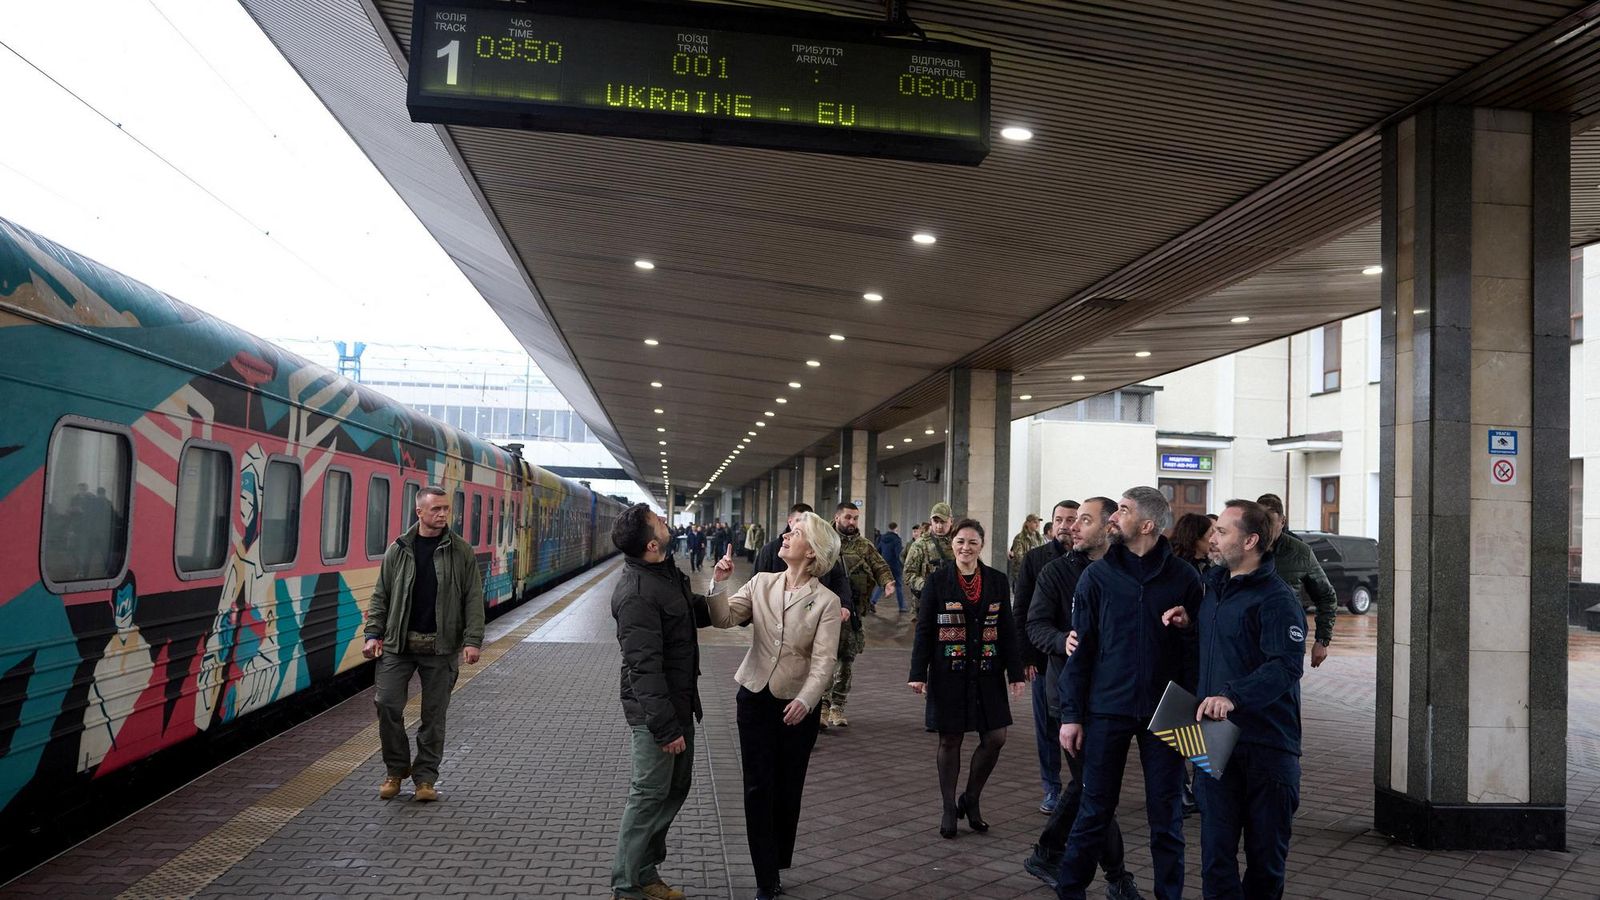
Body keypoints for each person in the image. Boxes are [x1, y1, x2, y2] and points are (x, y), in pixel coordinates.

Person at [1056, 487, 1202, 900]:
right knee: (1095, 811)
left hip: (1170, 711)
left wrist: (1190, 627)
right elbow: (1079, 652)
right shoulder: (1097, 576)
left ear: (1148, 525)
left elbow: (1201, 651)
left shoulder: (1184, 578)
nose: (1114, 517)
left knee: (1167, 817)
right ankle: (1070, 891)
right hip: (1107, 710)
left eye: (1123, 511)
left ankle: (1168, 894)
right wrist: (1071, 715)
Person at [1171, 500, 1305, 899]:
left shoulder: (1277, 599)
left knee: (1265, 862)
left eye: (1223, 531)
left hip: (1267, 747)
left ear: (1250, 540)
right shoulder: (1214, 588)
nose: (1213, 538)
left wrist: (1232, 696)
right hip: (1213, 739)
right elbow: (1223, 650)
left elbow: (1285, 666)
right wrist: (1189, 627)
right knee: (1215, 857)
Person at [706, 517, 843, 900]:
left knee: (787, 788)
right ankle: (766, 876)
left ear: (812, 550)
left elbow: (824, 661)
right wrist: (719, 582)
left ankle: (779, 857)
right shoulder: (762, 582)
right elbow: (723, 619)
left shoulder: (827, 602)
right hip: (754, 696)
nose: (785, 535)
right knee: (757, 786)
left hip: (798, 706)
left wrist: (806, 698)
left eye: (795, 533)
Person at [1021, 498, 1139, 900]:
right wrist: (1060, 640)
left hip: (1113, 698)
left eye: (1083, 521)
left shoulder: (1126, 568)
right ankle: (1117, 877)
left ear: (1109, 526)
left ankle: (1049, 850)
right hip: (1067, 699)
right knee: (1095, 785)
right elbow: (1034, 624)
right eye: (1070, 521)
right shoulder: (1055, 572)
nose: (1072, 528)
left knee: (1089, 785)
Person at [608, 503, 715, 900]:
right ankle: (627, 885)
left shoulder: (664, 573)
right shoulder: (637, 593)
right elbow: (644, 669)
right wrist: (665, 727)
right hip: (657, 712)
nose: (667, 522)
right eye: (660, 521)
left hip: (680, 702)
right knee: (648, 794)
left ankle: (645, 872)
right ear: (652, 543)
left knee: (675, 788)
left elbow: (690, 616)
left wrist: (726, 593)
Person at [363, 485, 485, 803]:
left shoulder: (461, 551)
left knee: (434, 716)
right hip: (398, 644)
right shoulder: (399, 549)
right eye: (436, 509)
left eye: (446, 509)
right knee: (386, 704)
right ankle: (396, 769)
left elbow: (473, 598)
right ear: (420, 512)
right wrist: (372, 634)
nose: (443, 514)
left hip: (441, 645)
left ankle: (425, 779)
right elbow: (382, 595)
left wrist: (472, 641)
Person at [908, 519, 1025, 839]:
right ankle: (949, 807)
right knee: (950, 739)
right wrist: (917, 673)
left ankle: (970, 798)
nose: (965, 547)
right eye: (960, 541)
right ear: (953, 544)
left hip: (987, 672)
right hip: (949, 673)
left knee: (996, 738)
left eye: (972, 542)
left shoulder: (997, 581)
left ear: (982, 546)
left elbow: (1007, 631)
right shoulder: (938, 580)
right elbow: (925, 630)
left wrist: (1015, 673)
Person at [1012, 500, 1080, 814]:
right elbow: (1022, 611)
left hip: (1081, 661)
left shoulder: (1093, 560)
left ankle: (1082, 786)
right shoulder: (1035, 559)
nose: (1066, 525)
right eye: (1059, 519)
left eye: (1072, 519)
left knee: (1080, 727)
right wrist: (1025, 658)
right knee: (1047, 728)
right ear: (1051, 524)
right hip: (1043, 658)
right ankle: (1051, 787)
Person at [826, 502, 895, 726]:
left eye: (855, 518)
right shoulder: (824, 541)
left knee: (846, 659)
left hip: (852, 612)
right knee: (823, 659)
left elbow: (880, 567)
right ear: (837, 518)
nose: (852, 522)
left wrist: (887, 583)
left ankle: (837, 707)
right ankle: (821, 706)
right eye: (848, 517)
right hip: (825, 611)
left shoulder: (864, 546)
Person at [1168, 511, 1215, 815]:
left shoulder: (1210, 569)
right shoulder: (1180, 571)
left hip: (1203, 656)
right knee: (1182, 723)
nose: (1215, 538)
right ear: (1194, 537)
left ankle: (1197, 786)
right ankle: (1181, 787)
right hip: (1182, 657)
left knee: (1198, 722)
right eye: (1210, 532)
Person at [1255, 494, 1336, 668]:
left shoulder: (1301, 552)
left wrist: (1322, 640)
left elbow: (1326, 597)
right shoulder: (1245, 547)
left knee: (1285, 689)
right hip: (1249, 637)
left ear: (1282, 522)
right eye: (1261, 522)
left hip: (1286, 637)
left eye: (1270, 522)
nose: (1266, 529)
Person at [902, 502, 956, 622]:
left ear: (951, 521)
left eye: (943, 522)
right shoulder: (920, 545)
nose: (939, 526)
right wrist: (927, 586)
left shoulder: (958, 542)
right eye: (936, 522)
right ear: (931, 521)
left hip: (954, 603)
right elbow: (908, 574)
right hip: (927, 603)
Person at [874, 521, 906, 612]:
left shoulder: (882, 538)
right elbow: (898, 554)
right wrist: (902, 565)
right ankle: (902, 606)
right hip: (895, 565)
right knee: (899, 585)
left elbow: (877, 550)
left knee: (882, 584)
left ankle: (872, 601)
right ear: (896, 528)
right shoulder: (897, 539)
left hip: (885, 564)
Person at [1009, 513, 1045, 581]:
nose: (1037, 524)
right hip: (1021, 573)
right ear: (1027, 523)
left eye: (1038, 522)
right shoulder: (1020, 538)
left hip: (1036, 573)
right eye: (1034, 522)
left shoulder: (1039, 538)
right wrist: (1031, 565)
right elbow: (1019, 556)